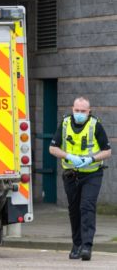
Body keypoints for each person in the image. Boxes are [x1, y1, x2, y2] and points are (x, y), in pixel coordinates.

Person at [49, 97, 112, 261]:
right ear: (72, 109)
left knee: (87, 207)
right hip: (71, 174)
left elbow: (107, 151)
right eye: (77, 110)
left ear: (89, 111)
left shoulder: (95, 125)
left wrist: (91, 159)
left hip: (92, 173)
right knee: (74, 210)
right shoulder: (64, 124)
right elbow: (52, 148)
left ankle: (86, 247)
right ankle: (76, 245)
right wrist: (68, 155)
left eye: (83, 111)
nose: (79, 114)